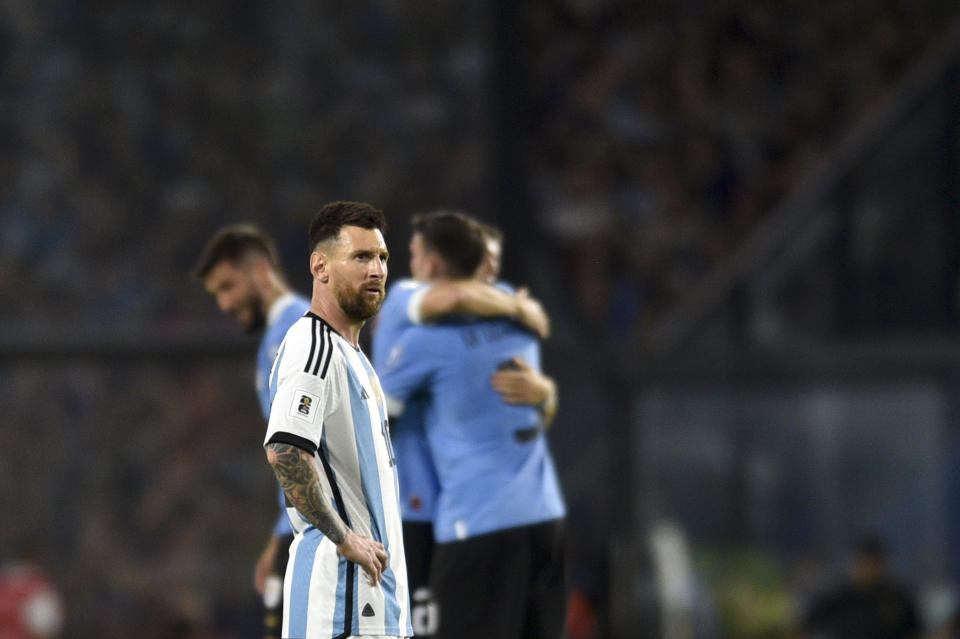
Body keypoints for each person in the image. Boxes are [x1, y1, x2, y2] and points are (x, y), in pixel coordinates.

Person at [378, 211, 566, 639]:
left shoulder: (421, 336)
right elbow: (536, 412)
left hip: (469, 522)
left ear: (431, 265)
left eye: (413, 253)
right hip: (545, 516)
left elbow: (374, 416)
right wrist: (548, 394)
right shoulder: (517, 315)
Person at [263, 201, 411, 639]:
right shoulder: (314, 345)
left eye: (382, 258)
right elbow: (285, 449)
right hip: (342, 608)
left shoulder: (355, 358)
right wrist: (345, 538)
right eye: (361, 257)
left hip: (374, 607)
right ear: (320, 267)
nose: (377, 270)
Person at [192, 224, 310, 639]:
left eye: (228, 286)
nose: (224, 303)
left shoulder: (298, 332)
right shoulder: (279, 338)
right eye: (216, 294)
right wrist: (280, 534)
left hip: (317, 536)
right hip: (300, 529)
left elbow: (309, 446)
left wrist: (293, 536)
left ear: (261, 271)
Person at [796, 537, 921, 639]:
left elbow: (915, 632)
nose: (868, 570)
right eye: (864, 564)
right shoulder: (837, 598)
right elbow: (805, 626)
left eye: (874, 564)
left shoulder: (898, 599)